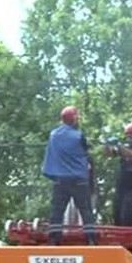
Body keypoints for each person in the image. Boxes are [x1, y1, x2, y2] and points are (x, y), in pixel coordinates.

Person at [41, 105, 97, 245]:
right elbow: (86, 151)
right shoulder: (78, 135)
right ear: (74, 119)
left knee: (57, 210)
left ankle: (54, 239)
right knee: (85, 209)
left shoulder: (53, 135)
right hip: (79, 180)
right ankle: (91, 238)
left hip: (60, 179)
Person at [105, 121, 132, 227]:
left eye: (131, 136)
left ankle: (130, 242)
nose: (129, 139)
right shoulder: (125, 149)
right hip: (121, 188)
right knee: (117, 216)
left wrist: (119, 146)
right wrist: (107, 144)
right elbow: (109, 153)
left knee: (126, 217)